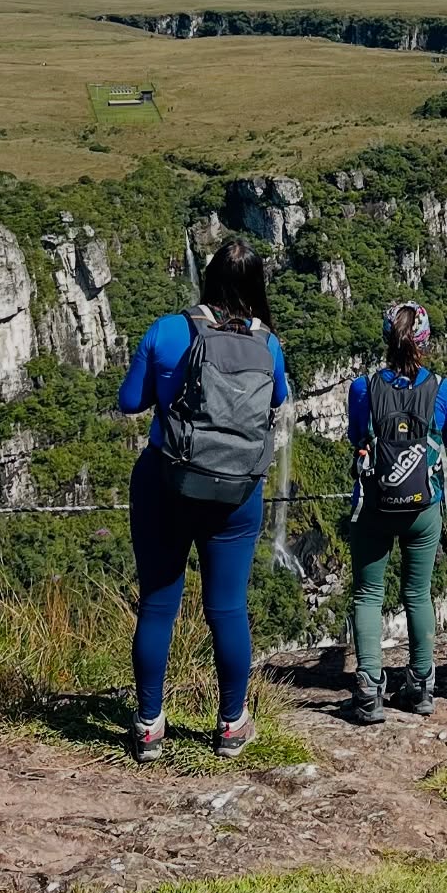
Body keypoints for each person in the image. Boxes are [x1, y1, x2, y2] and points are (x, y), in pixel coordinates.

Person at [117, 239, 290, 762]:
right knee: (227, 608)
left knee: (159, 603)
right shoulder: (269, 344)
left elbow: (130, 401)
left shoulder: (169, 330)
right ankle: (232, 724)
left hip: (166, 485)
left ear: (208, 280)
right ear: (257, 287)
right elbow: (276, 400)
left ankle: (149, 726)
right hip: (236, 494)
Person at [346, 302, 447, 724]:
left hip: (375, 503)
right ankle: (421, 686)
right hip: (423, 507)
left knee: (368, 594)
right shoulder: (444, 389)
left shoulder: (363, 388)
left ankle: (368, 689)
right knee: (417, 593)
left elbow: (356, 434)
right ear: (425, 342)